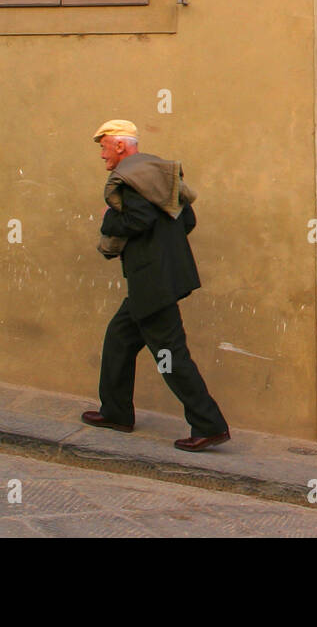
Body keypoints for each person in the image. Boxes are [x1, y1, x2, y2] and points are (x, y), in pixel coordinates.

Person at [81, 119, 230, 451]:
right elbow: (187, 219)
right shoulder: (159, 175)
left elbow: (137, 220)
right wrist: (166, 249)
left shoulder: (131, 179)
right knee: (120, 338)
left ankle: (210, 424)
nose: (102, 154)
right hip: (162, 276)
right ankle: (116, 412)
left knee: (169, 354)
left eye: (104, 146)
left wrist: (108, 217)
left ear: (121, 145)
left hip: (151, 281)